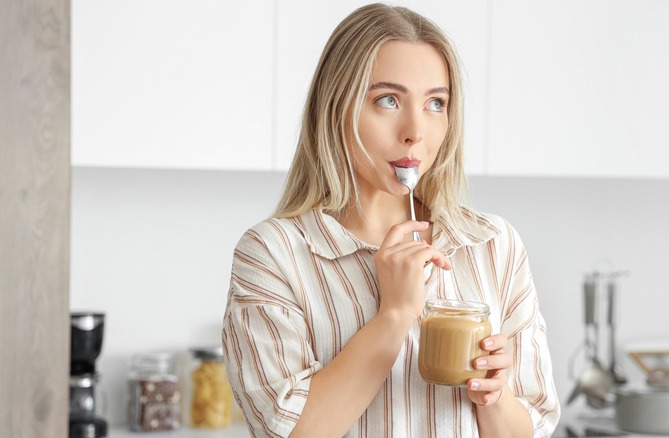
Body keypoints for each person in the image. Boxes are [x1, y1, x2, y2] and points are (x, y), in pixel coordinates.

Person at [222, 3, 560, 437]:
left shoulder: (494, 244)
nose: (415, 130)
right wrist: (395, 313)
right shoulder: (274, 253)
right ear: (335, 108)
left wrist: (493, 397)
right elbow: (288, 431)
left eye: (436, 103)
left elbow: (531, 427)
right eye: (388, 99)